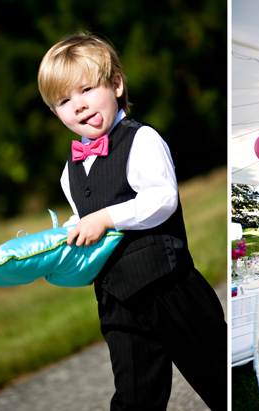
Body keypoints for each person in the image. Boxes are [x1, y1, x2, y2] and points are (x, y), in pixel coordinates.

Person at [37, 32, 227, 411]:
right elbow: (82, 218)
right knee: (133, 399)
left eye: (87, 89)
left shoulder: (141, 140)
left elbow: (162, 200)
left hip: (169, 289)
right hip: (118, 302)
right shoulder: (68, 172)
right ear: (56, 112)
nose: (78, 105)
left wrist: (106, 218)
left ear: (117, 84)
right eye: (63, 100)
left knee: (218, 378)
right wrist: (61, 243)